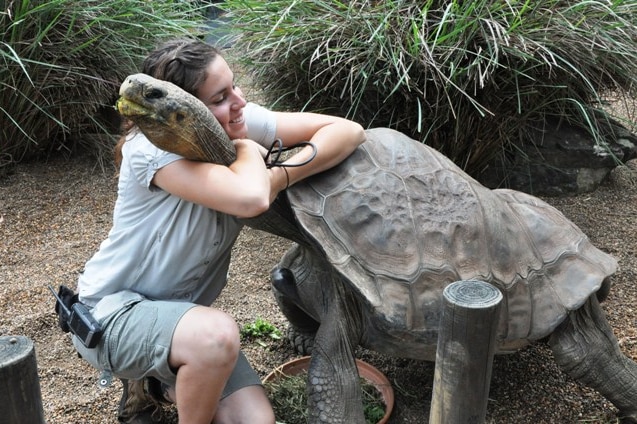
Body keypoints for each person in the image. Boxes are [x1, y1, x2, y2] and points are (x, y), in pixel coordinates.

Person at [72, 38, 365, 424]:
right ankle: (156, 376)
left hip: (181, 319)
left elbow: (347, 130)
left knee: (256, 421)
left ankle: (158, 382)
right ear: (187, 112)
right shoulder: (150, 151)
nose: (239, 101)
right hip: (113, 315)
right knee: (217, 336)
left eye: (235, 85)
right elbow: (250, 198)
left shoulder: (232, 123)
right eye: (221, 96)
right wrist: (246, 151)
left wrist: (277, 176)